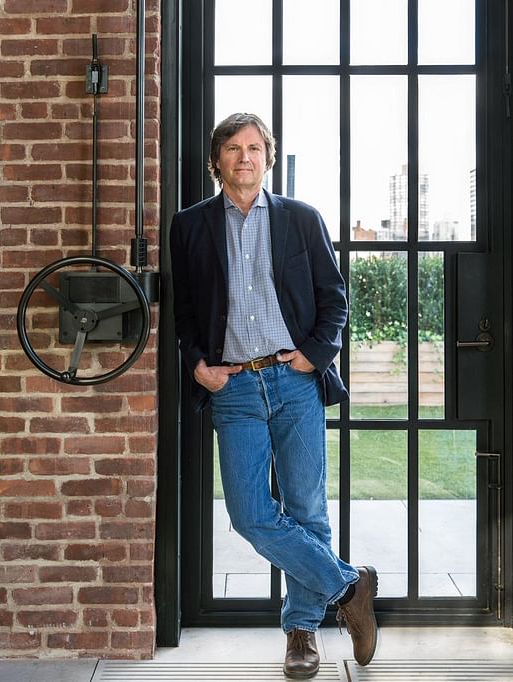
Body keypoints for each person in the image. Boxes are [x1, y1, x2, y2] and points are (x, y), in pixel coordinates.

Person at [170, 112, 378, 678]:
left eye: (255, 148)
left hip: (295, 380)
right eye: (233, 148)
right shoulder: (188, 226)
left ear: (268, 156)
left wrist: (314, 353)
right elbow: (183, 315)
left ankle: (301, 633)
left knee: (307, 506)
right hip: (233, 387)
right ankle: (349, 586)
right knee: (249, 512)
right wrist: (198, 367)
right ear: (217, 161)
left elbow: (334, 301)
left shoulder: (301, 220)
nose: (245, 157)